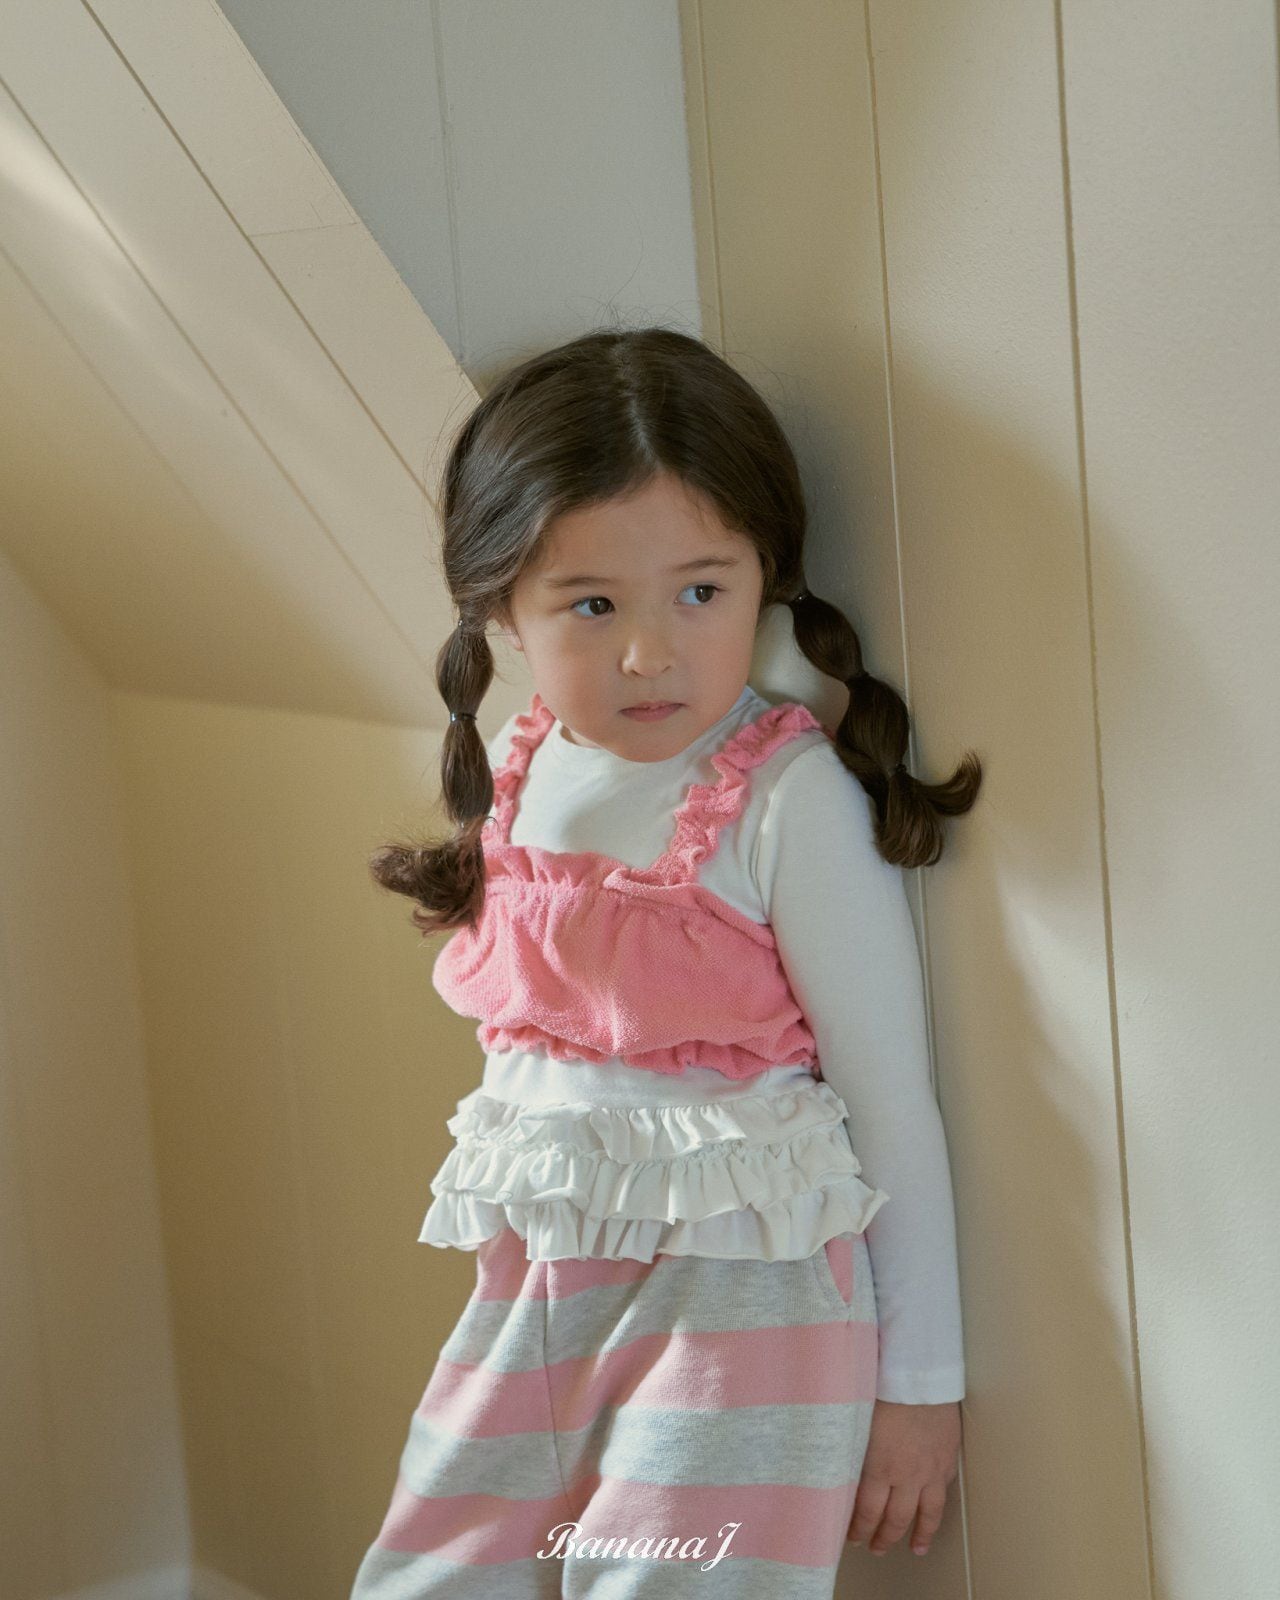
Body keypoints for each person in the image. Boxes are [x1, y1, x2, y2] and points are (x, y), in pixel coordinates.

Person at [349, 326, 982, 1599]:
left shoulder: (783, 799)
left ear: (763, 579)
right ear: (501, 607)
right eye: (592, 605)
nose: (650, 652)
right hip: (538, 1288)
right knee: (431, 1573)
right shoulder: (522, 766)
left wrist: (919, 1385)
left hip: (739, 1314)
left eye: (700, 592)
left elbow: (888, 1104)